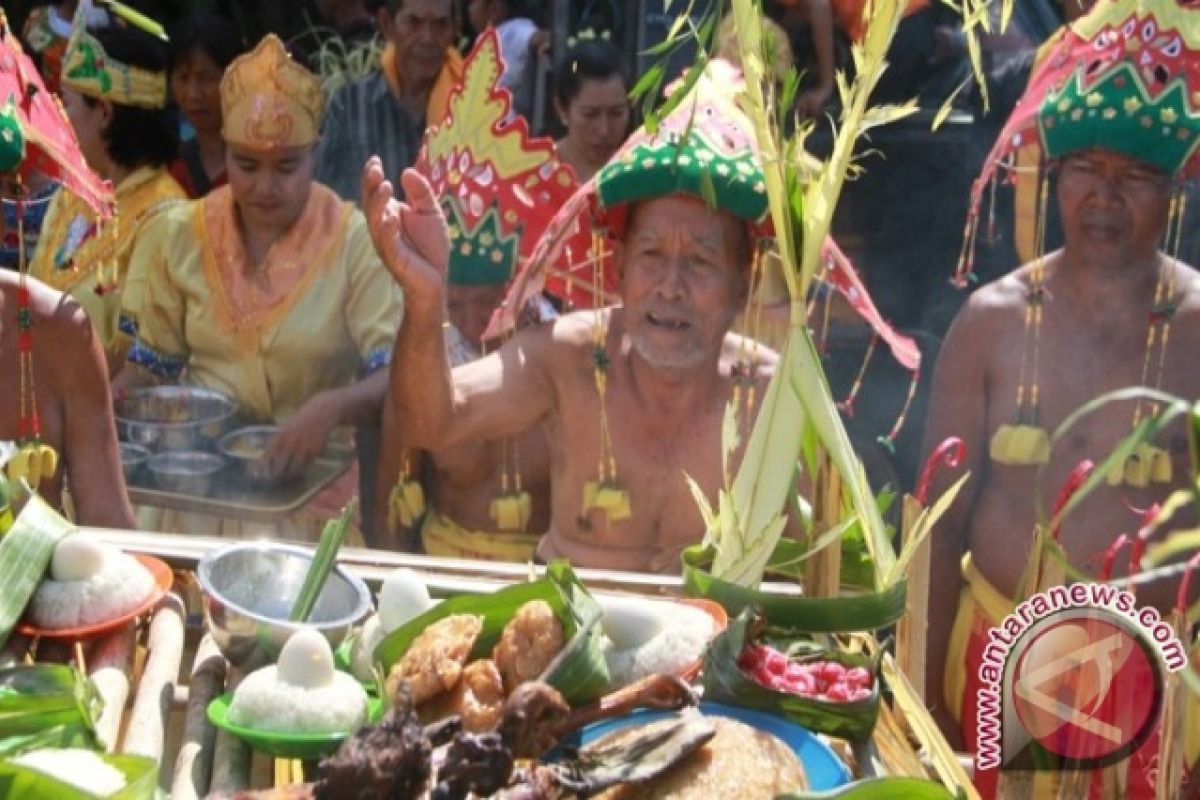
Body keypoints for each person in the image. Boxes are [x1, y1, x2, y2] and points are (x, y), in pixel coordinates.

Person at [922, 0, 1200, 794]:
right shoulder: (991, 323)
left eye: (1135, 176)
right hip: (997, 654)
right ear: (1054, 177)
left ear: (1173, 190)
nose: (1105, 198)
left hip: (1160, 676)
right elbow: (938, 534)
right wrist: (931, 715)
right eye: (1086, 170)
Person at [367, 66, 782, 573]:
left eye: (699, 261)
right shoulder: (566, 358)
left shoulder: (772, 397)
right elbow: (430, 421)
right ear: (620, 267)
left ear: (745, 283)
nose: (671, 287)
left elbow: (817, 569)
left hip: (715, 644)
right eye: (651, 254)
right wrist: (425, 301)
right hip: (574, 641)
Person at [118, 34, 403, 541]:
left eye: (287, 167)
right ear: (223, 150)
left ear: (315, 156)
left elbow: (394, 374)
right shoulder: (181, 233)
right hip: (198, 497)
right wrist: (96, 403)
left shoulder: (354, 241)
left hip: (312, 502)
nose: (265, 187)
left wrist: (332, 407)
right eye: (246, 165)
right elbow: (150, 369)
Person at [375, 30, 578, 559]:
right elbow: (389, 511)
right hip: (442, 569)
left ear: (519, 286)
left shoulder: (564, 354)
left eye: (486, 301)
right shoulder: (423, 360)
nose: (467, 319)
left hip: (543, 576)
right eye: (453, 302)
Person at [30, 14, 184, 377]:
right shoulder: (73, 194)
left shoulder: (165, 219)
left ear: (104, 113)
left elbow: (140, 363)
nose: (59, 118)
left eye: (66, 104)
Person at [314, 0, 463, 202]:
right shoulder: (350, 107)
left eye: (441, 24)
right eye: (414, 22)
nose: (428, 38)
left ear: (455, 29)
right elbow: (322, 198)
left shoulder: (472, 109)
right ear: (386, 24)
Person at [166, 12, 245, 198]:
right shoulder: (172, 172)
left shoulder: (265, 160)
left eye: (207, 78)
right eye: (183, 78)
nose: (193, 95)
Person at [550, 38, 630, 183]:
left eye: (616, 113)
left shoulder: (640, 173)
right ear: (562, 109)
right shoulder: (537, 172)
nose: (604, 130)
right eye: (590, 115)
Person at [465, 0, 546, 121]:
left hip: (506, 128)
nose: (469, 9)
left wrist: (547, 43)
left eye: (471, 2)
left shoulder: (514, 29)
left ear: (494, 9)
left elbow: (537, 37)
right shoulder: (484, 37)